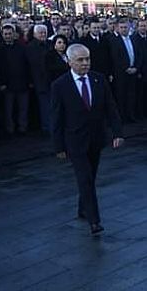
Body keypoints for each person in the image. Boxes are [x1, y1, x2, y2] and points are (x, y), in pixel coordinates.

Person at [50, 44, 123, 236]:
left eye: (87, 59)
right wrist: (59, 146)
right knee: (85, 178)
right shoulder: (60, 85)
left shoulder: (99, 79)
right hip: (74, 140)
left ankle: (83, 208)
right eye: (80, 60)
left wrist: (117, 133)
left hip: (96, 138)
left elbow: (110, 107)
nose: (85, 63)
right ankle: (94, 220)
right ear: (69, 62)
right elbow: (56, 118)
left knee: (91, 176)